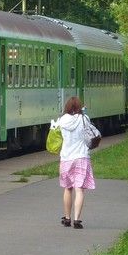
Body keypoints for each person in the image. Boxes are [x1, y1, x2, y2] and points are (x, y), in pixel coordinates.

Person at [50, 96, 97, 229]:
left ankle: (67, 218)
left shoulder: (62, 120)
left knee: (68, 188)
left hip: (66, 158)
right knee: (80, 189)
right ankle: (77, 220)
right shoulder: (84, 119)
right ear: (79, 107)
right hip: (82, 157)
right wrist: (83, 112)